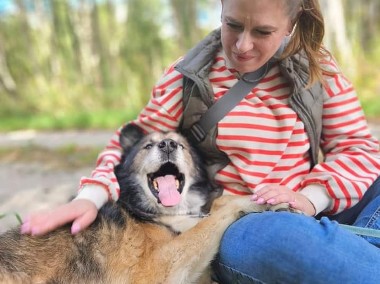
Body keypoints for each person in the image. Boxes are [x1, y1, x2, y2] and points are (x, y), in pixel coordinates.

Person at [21, 0, 380, 282]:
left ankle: (338, 251)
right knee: (283, 238)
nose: (242, 45)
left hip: (314, 202)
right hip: (243, 222)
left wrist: (310, 199)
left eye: (263, 32)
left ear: (291, 23)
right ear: (220, 8)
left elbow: (357, 149)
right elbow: (137, 143)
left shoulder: (321, 70)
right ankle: (341, 249)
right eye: (233, 25)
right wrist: (90, 197)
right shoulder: (190, 75)